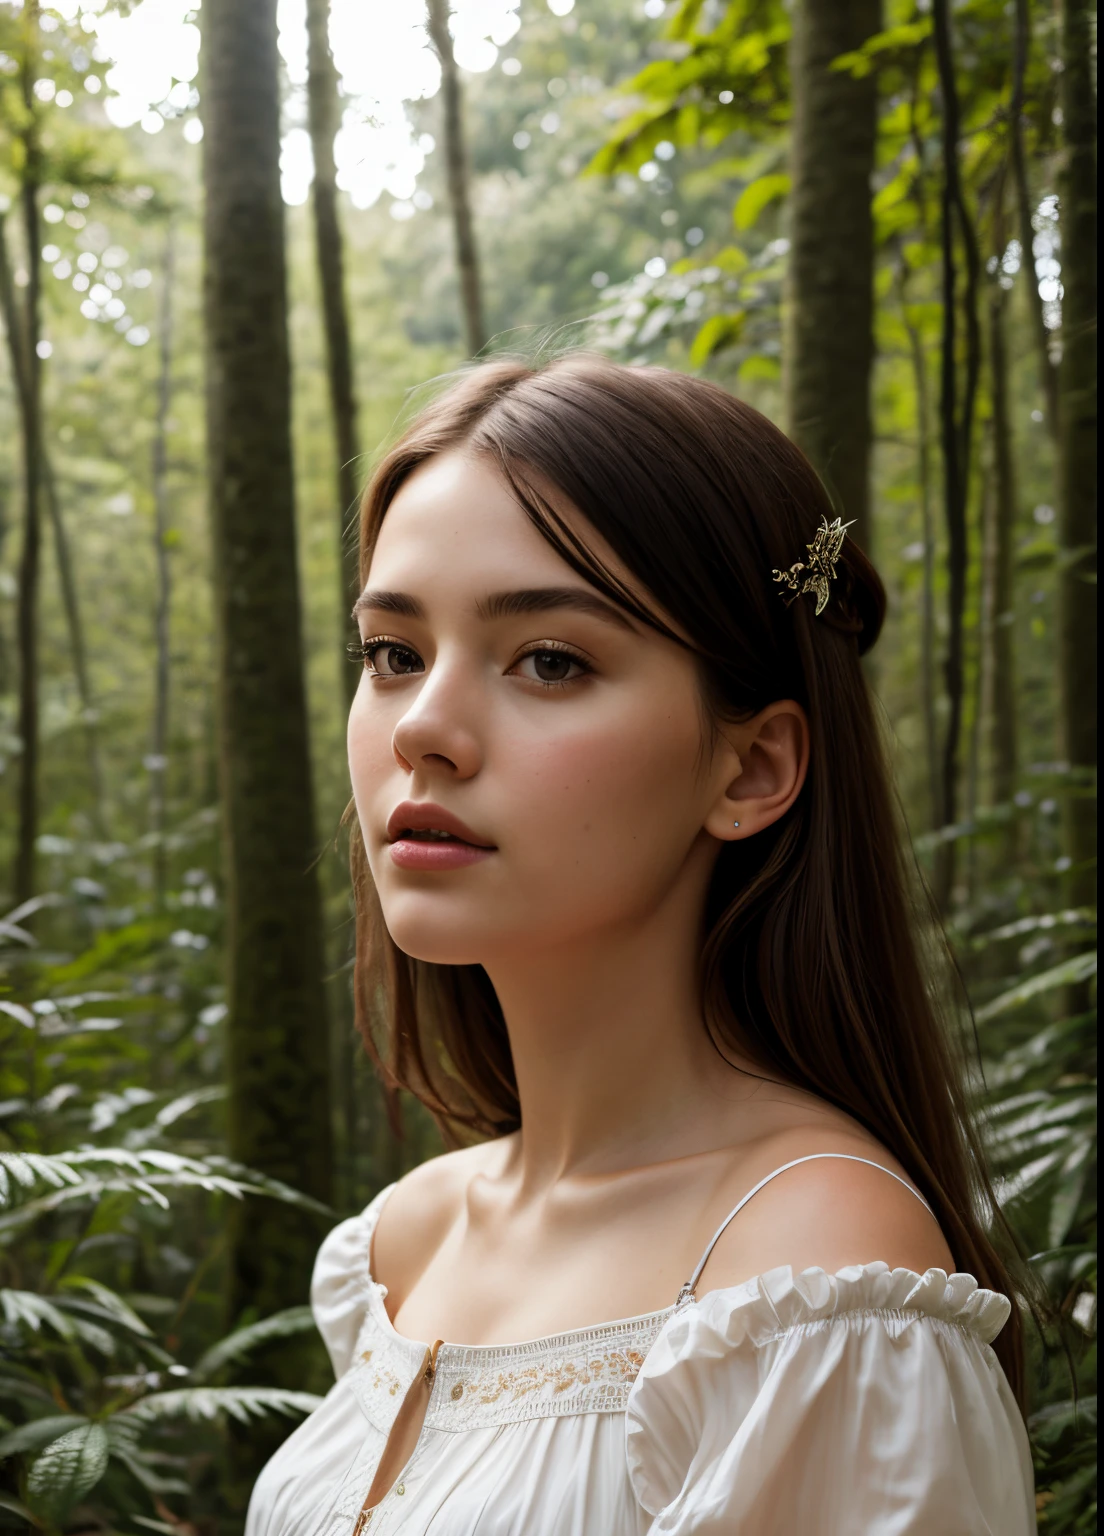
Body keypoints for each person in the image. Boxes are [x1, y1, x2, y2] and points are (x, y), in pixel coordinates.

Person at [247, 356, 1036, 1535]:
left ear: (752, 765)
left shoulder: (810, 1281)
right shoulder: (404, 1243)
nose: (423, 731)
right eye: (392, 654)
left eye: (550, 661)